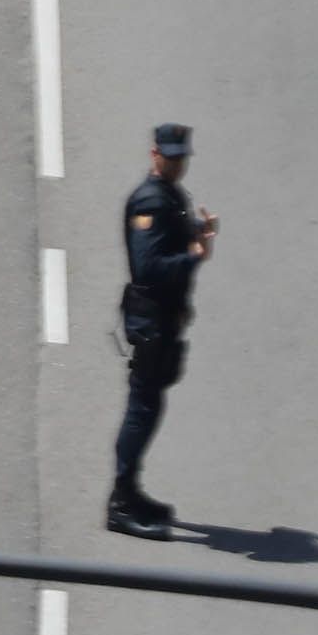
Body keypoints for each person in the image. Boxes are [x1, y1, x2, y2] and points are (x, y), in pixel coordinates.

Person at [108, 122, 210, 537]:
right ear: (154, 155)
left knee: (151, 405)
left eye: (180, 156)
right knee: (142, 408)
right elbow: (148, 267)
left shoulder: (170, 195)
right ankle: (120, 503)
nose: (175, 163)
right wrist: (193, 256)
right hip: (150, 320)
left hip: (164, 317)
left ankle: (132, 491)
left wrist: (196, 236)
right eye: (169, 156)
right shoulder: (149, 201)